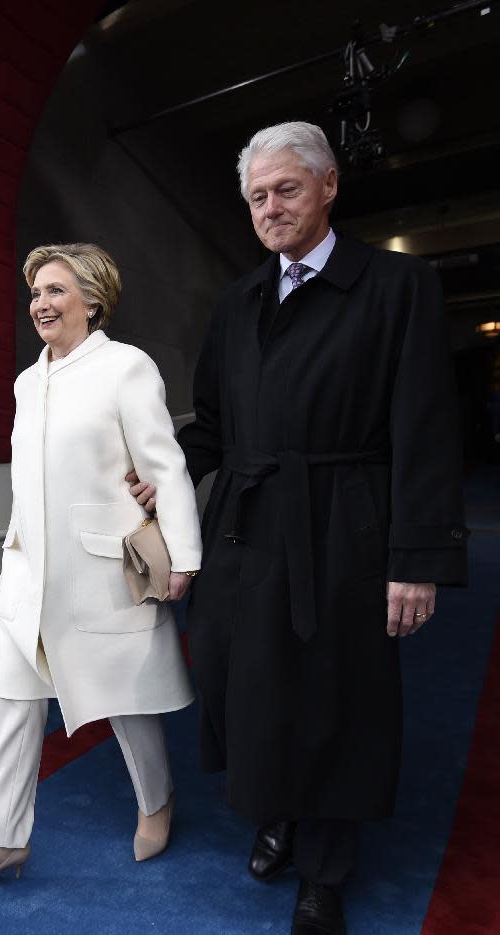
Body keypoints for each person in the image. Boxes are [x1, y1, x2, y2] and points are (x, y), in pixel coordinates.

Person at [127, 122, 467, 935]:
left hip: (343, 525)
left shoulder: (393, 285)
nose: (269, 208)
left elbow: (424, 428)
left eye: (284, 189)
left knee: (332, 697)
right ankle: (275, 811)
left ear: (326, 187)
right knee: (244, 683)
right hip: (244, 527)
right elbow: (211, 421)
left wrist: (413, 559)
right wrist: (158, 471)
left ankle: (324, 868)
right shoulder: (238, 300)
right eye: (255, 197)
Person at [0, 243, 202, 897]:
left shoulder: (125, 368)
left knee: (128, 708)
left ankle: (156, 801)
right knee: (13, 712)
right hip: (26, 579)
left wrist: (184, 556)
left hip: (102, 577)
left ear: (91, 298)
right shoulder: (28, 381)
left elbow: (164, 467)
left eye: (55, 290)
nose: (41, 304)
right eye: (35, 292)